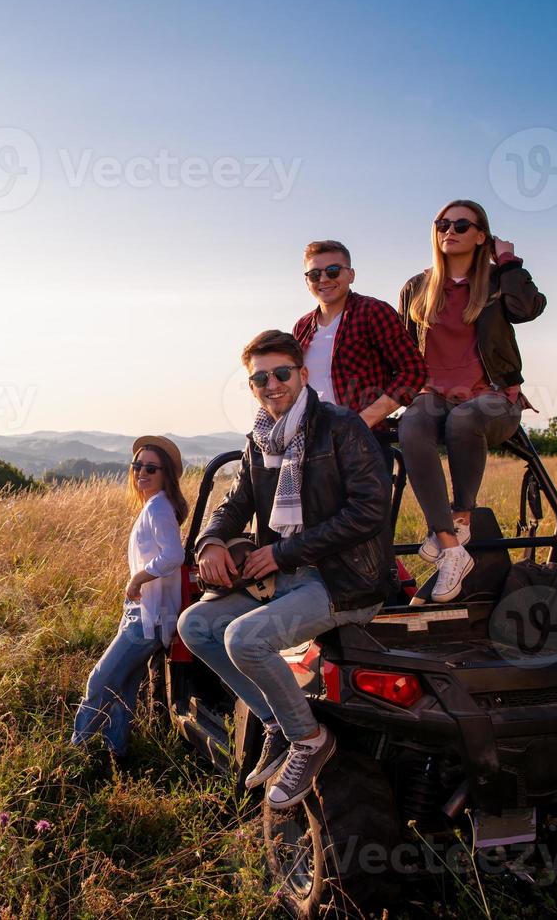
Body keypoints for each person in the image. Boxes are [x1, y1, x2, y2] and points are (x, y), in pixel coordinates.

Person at [178, 330, 395, 810]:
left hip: (344, 581)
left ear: (303, 373)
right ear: (251, 385)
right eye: (260, 378)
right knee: (194, 624)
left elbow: (369, 511)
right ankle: (276, 720)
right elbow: (237, 503)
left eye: (281, 373)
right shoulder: (260, 439)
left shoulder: (341, 427)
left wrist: (284, 553)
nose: (271, 384)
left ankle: (310, 740)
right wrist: (211, 540)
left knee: (244, 639)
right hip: (286, 578)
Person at [397, 199, 546, 603]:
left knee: (465, 418)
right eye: (443, 223)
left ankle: (462, 514)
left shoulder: (498, 283)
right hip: (433, 396)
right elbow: (403, 353)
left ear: (482, 236)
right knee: (411, 424)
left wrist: (510, 262)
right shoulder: (417, 287)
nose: (450, 230)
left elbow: (528, 309)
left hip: (494, 397)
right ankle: (449, 542)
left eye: (462, 225)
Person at [71, 436, 187, 761]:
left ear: (166, 473)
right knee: (122, 689)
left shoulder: (159, 507)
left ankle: (74, 753)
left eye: (151, 467)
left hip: (147, 619)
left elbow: (173, 555)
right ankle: (116, 756)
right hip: (140, 612)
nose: (142, 473)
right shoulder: (153, 506)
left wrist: (139, 576)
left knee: (100, 679)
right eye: (137, 466)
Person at [291, 240, 427, 431]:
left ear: (351, 275)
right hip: (313, 438)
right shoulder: (302, 327)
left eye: (333, 270)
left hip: (363, 442)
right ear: (307, 282)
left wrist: (361, 422)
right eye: (314, 274)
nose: (323, 279)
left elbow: (413, 371)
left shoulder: (372, 311)